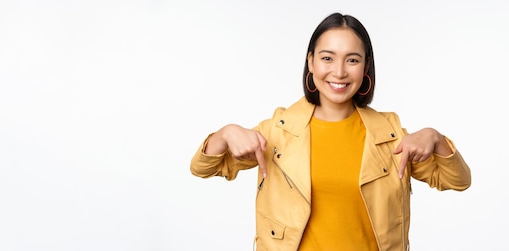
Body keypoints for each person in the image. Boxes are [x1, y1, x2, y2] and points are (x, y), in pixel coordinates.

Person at [189, 12, 471, 251]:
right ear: (311, 63)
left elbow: (457, 181)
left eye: (352, 60)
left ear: (366, 67)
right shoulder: (277, 133)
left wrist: (435, 138)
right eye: (327, 58)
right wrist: (224, 134)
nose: (339, 72)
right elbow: (202, 168)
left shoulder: (391, 136)